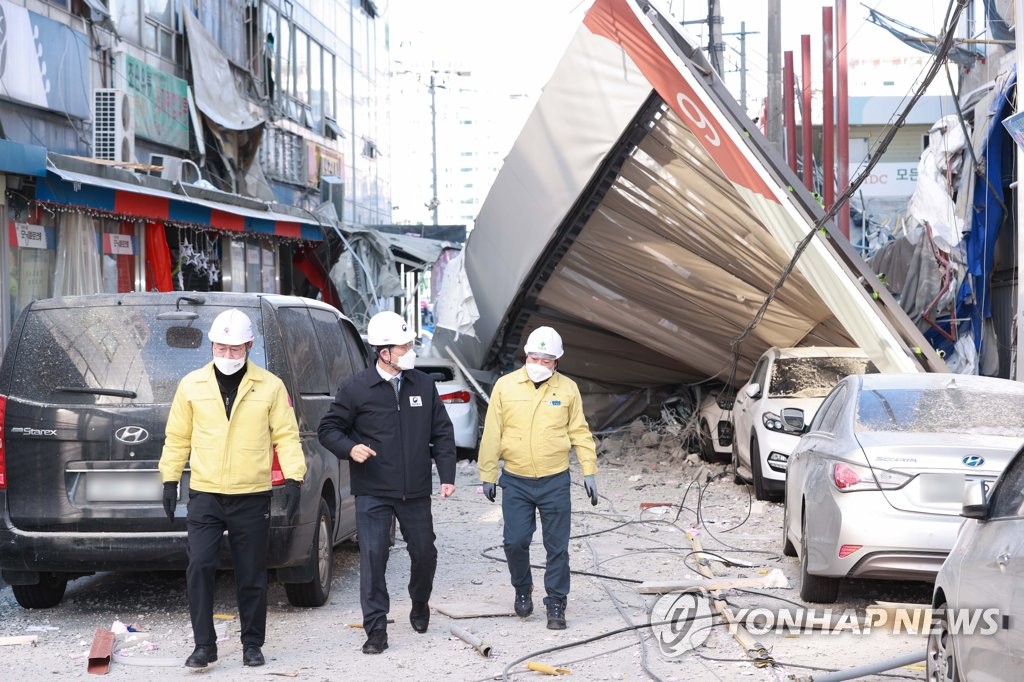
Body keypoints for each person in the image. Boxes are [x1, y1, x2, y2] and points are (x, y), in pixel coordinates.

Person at [159, 308, 306, 669]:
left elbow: (285, 435)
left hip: (251, 493)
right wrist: (169, 478)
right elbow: (177, 436)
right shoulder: (191, 385)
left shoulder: (270, 386)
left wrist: (294, 476)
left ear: (249, 346)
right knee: (200, 566)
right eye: (221, 348)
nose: (227, 355)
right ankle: (203, 646)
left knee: (252, 572)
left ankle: (252, 645)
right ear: (211, 345)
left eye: (234, 349)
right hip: (206, 493)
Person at [317, 310, 456, 655]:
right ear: (384, 352)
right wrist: (350, 448)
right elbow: (328, 430)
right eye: (404, 346)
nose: (410, 351)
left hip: (415, 490)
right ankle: (376, 629)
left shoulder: (422, 384)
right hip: (374, 491)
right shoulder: (356, 388)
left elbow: (442, 431)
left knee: (425, 553)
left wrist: (447, 475)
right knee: (374, 558)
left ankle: (419, 601)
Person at [477, 326, 598, 630]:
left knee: (557, 546)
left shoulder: (568, 389)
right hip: (516, 480)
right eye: (534, 356)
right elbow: (492, 432)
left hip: (555, 480)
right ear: (526, 355)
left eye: (546, 360)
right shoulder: (505, 387)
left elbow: (579, 432)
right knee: (515, 541)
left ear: (556, 362)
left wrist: (589, 470)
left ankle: (556, 601)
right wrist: (488, 473)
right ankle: (522, 588)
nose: (539, 363)